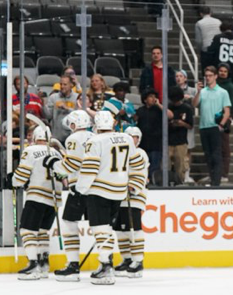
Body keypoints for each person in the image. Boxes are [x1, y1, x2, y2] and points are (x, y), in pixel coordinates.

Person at [74, 111, 144, 285]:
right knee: (106, 229)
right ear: (112, 124)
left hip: (99, 191)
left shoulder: (94, 141)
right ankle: (106, 263)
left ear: (96, 126)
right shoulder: (126, 138)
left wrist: (80, 189)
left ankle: (106, 266)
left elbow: (90, 168)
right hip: (119, 192)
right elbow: (137, 164)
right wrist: (135, 183)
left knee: (100, 228)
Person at [10, 126, 62, 280]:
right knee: (42, 231)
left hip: (37, 196)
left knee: (27, 230)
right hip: (54, 198)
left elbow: (22, 174)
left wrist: (13, 180)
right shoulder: (57, 152)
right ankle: (44, 264)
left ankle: (33, 264)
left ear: (34, 137)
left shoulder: (30, 150)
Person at [45, 110, 92, 280]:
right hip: (97, 187)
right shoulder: (94, 137)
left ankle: (73, 265)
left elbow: (72, 164)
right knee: (100, 226)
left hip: (79, 187)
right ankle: (106, 263)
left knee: (69, 222)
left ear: (74, 125)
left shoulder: (74, 138)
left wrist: (55, 165)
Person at [112, 126, 148, 278]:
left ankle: (138, 261)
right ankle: (127, 259)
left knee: (134, 228)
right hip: (119, 196)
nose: (132, 139)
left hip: (134, 196)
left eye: (135, 137)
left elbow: (141, 173)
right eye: (129, 136)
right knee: (120, 230)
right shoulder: (121, 153)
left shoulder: (140, 153)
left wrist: (132, 187)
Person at [194, 66, 231, 187]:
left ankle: (216, 181)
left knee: (216, 154)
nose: (208, 78)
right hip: (204, 126)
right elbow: (195, 104)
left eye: (210, 76)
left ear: (215, 76)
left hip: (215, 126)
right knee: (208, 155)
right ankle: (212, 178)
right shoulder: (203, 92)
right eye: (206, 76)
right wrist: (198, 91)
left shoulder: (222, 92)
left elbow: (227, 111)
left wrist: (221, 124)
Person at [167, 86, 194, 184]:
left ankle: (180, 183)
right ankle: (166, 184)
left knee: (180, 166)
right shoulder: (168, 107)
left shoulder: (187, 108)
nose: (175, 102)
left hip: (181, 142)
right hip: (168, 141)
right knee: (166, 166)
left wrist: (182, 124)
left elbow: (190, 126)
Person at [135, 89, 163, 177]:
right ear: (145, 100)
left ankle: (154, 182)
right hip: (143, 143)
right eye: (151, 97)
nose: (153, 98)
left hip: (156, 144)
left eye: (155, 97)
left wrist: (159, 104)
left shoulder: (159, 110)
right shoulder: (140, 110)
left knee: (155, 166)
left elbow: (170, 115)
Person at [216, 64, 233, 182]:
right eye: (221, 71)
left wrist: (229, 117)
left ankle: (225, 173)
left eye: (225, 71)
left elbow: (232, 104)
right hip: (214, 118)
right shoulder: (214, 84)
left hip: (225, 119)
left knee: (224, 147)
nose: (223, 73)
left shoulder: (230, 87)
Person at [43, 75, 79, 143]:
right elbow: (48, 116)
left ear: (71, 85)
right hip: (57, 136)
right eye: (61, 84)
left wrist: (67, 108)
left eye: (65, 84)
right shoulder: (53, 97)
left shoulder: (77, 98)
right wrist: (43, 105)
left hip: (72, 136)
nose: (62, 87)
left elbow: (79, 116)